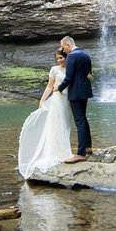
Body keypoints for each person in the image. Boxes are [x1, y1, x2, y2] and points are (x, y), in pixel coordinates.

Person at [17, 49, 75, 178]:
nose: (59, 60)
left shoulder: (71, 68)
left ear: (66, 57)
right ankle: (54, 153)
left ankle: (65, 151)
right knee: (56, 125)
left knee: (66, 125)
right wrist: (42, 100)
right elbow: (49, 86)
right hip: (57, 100)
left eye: (61, 58)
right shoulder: (54, 70)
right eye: (57, 58)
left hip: (68, 101)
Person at [56, 36, 93, 161]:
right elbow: (89, 74)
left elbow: (68, 78)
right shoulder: (86, 55)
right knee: (83, 119)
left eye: (63, 47)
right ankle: (88, 147)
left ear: (68, 44)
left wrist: (59, 88)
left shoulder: (71, 56)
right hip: (85, 91)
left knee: (79, 122)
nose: (63, 50)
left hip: (76, 92)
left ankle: (80, 154)